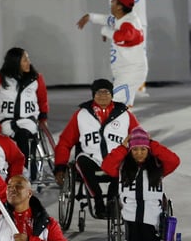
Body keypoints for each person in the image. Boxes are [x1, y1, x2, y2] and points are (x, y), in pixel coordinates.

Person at [54, 79, 141, 219]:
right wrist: (59, 166)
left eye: (106, 92)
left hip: (116, 158)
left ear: (112, 94)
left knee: (123, 164)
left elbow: (140, 137)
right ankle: (98, 200)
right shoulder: (81, 115)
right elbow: (65, 142)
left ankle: (113, 200)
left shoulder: (124, 114)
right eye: (98, 92)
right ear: (93, 95)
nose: (102, 95)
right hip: (90, 157)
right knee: (81, 160)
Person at [101, 127, 180, 241]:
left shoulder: (157, 167)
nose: (139, 153)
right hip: (130, 204)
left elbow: (174, 161)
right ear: (130, 151)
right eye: (135, 150)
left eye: (143, 149)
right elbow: (107, 166)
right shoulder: (123, 167)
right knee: (133, 221)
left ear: (148, 151)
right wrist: (122, 147)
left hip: (152, 205)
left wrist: (153, 143)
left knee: (150, 220)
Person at [105, 0, 158, 96]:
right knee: (120, 51)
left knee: (140, 52)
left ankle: (139, 87)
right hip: (120, 18)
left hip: (139, 18)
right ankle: (120, 85)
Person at [76, 0, 146, 107]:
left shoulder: (130, 23)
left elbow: (125, 35)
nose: (111, 3)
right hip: (125, 72)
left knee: (110, 104)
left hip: (130, 73)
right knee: (122, 108)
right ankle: (129, 124)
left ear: (119, 7)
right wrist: (90, 17)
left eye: (114, 1)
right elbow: (106, 19)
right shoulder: (121, 18)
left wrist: (105, 31)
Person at [0, 47, 49, 165]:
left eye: (28, 59)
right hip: (4, 122)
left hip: (28, 121)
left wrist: (43, 118)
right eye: (25, 60)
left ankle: (25, 170)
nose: (29, 62)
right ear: (15, 62)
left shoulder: (36, 79)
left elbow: (42, 100)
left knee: (22, 135)